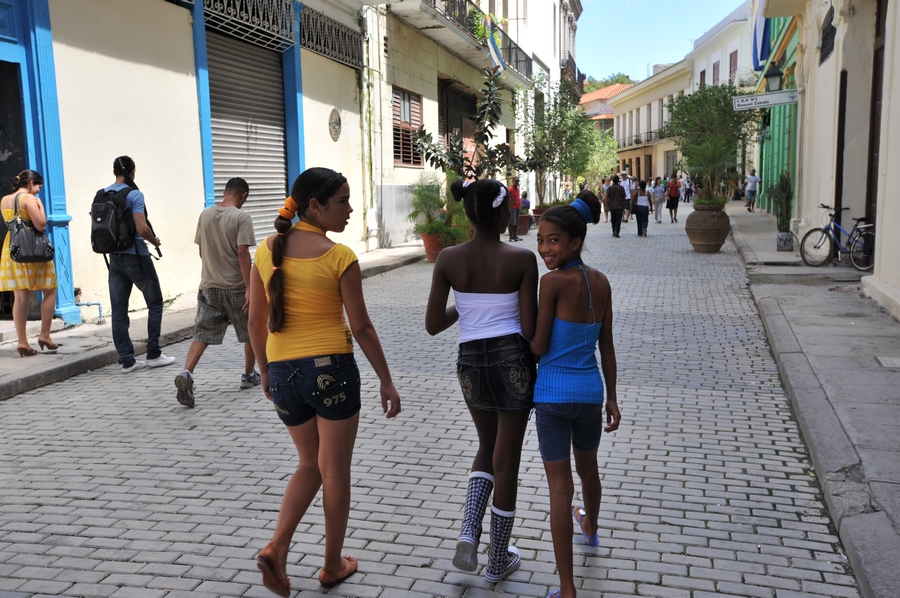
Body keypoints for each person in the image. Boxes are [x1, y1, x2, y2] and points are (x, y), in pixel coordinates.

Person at [249, 167, 402, 597]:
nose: (350, 209)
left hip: (283, 373)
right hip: (330, 369)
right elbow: (363, 327)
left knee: (308, 465)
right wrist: (387, 382)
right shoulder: (339, 256)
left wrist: (264, 369)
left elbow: (255, 320)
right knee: (334, 472)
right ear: (314, 206)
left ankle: (278, 546)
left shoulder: (266, 250)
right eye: (342, 201)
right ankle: (331, 566)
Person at [425, 178, 538, 584]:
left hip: (469, 363)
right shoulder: (522, 259)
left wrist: (467, 306)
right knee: (506, 460)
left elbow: (433, 324)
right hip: (512, 361)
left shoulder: (448, 260)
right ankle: (497, 561)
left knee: (485, 446)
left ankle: (468, 534)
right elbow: (529, 327)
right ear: (503, 212)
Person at [530, 192, 621, 598]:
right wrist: (613, 398)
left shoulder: (551, 283)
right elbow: (607, 346)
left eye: (553, 240)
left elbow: (537, 346)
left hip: (552, 395)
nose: (544, 248)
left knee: (559, 489)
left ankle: (567, 589)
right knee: (589, 469)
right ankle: (593, 528)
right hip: (590, 393)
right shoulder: (601, 282)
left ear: (575, 242)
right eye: (541, 239)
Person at [174, 177, 259, 408]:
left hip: (209, 286)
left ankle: (187, 372)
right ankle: (249, 375)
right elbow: (243, 252)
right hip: (236, 287)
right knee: (251, 330)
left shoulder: (205, 215)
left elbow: (203, 250)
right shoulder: (242, 216)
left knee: (202, 333)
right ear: (243, 196)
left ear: (225, 192)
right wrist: (249, 287)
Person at [104, 156, 175, 373]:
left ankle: (127, 361)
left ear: (115, 171)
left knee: (118, 311)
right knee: (155, 303)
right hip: (136, 257)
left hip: (114, 258)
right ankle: (153, 353)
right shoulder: (134, 194)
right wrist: (154, 240)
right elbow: (141, 227)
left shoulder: (103, 193)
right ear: (132, 171)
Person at [0, 170, 60, 357]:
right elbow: (41, 224)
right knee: (49, 290)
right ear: (31, 183)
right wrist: (40, 206)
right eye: (38, 188)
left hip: (14, 249)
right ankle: (45, 335)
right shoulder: (28, 199)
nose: (38, 193)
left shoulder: (4, 200)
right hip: (34, 250)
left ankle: (22, 342)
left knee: (20, 296)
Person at [507, 177, 522, 242]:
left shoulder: (518, 189)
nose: (517, 182)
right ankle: (511, 237)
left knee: (516, 223)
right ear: (513, 182)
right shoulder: (510, 189)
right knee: (511, 222)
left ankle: (515, 236)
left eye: (518, 181)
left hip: (518, 207)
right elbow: (507, 197)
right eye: (516, 181)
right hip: (512, 207)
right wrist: (510, 202)